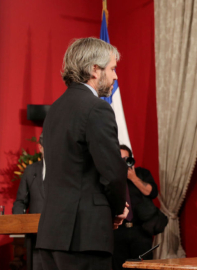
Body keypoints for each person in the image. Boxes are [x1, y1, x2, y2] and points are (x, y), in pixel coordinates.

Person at [36, 37, 129, 270]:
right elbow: (113, 172)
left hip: (50, 236)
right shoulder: (97, 108)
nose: (116, 76)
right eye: (112, 68)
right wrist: (119, 209)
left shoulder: (54, 110)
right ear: (95, 70)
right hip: (84, 238)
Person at [113, 145, 159, 269]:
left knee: (144, 266)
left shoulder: (142, 173)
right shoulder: (110, 177)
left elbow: (152, 192)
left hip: (141, 231)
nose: (123, 162)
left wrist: (133, 177)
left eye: (126, 159)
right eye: (119, 159)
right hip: (117, 231)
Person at [12, 133, 46, 270]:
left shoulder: (65, 170)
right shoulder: (31, 171)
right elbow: (20, 201)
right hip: (35, 238)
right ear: (40, 148)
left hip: (59, 238)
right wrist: (19, 224)